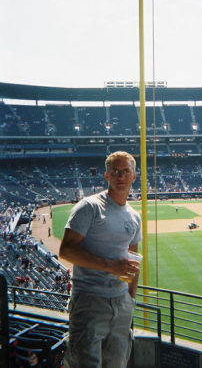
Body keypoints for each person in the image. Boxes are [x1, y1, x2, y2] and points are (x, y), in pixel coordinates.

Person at [59, 151, 142, 368]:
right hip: (89, 302)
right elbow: (66, 250)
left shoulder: (134, 216)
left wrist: (130, 299)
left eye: (126, 171)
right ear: (106, 176)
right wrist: (110, 266)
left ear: (134, 177)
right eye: (115, 171)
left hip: (121, 305)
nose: (120, 176)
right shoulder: (89, 207)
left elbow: (132, 259)